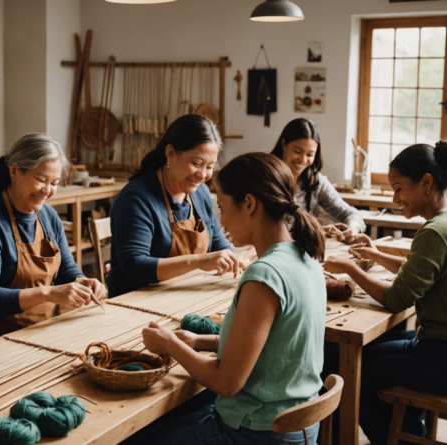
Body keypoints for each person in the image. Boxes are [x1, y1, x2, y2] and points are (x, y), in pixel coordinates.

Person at [131, 152, 326, 445]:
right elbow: (275, 347)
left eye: (222, 208)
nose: (220, 221)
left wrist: (170, 344)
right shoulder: (305, 256)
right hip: (297, 425)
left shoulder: (264, 275)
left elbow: (227, 382)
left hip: (259, 432)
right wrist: (202, 342)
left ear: (249, 203)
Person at [324, 141, 447, 444]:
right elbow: (417, 269)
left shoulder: (436, 231)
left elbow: (397, 299)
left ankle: (399, 439)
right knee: (361, 355)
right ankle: (410, 435)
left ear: (426, 182)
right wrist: (374, 255)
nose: (394, 197)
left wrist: (349, 267)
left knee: (343, 370)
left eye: (399, 188)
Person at [0, 133, 106, 349]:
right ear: (14, 171)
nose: (47, 190)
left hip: (36, 335)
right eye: (41, 180)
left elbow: (66, 270)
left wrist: (83, 282)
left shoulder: (48, 216)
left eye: (54, 183)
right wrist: (49, 293)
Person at [107, 115, 239, 298]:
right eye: (196, 163)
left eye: (209, 167)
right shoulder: (136, 199)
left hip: (184, 294)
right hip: (137, 301)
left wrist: (228, 258)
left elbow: (217, 243)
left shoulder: (199, 193)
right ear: (169, 153)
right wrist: (199, 261)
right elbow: (134, 266)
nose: (202, 175)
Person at [271, 118, 365, 243]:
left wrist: (352, 229)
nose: (303, 160)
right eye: (297, 151)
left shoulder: (316, 181)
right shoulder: (266, 177)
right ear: (284, 145)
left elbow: (349, 213)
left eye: (309, 155)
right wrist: (319, 230)